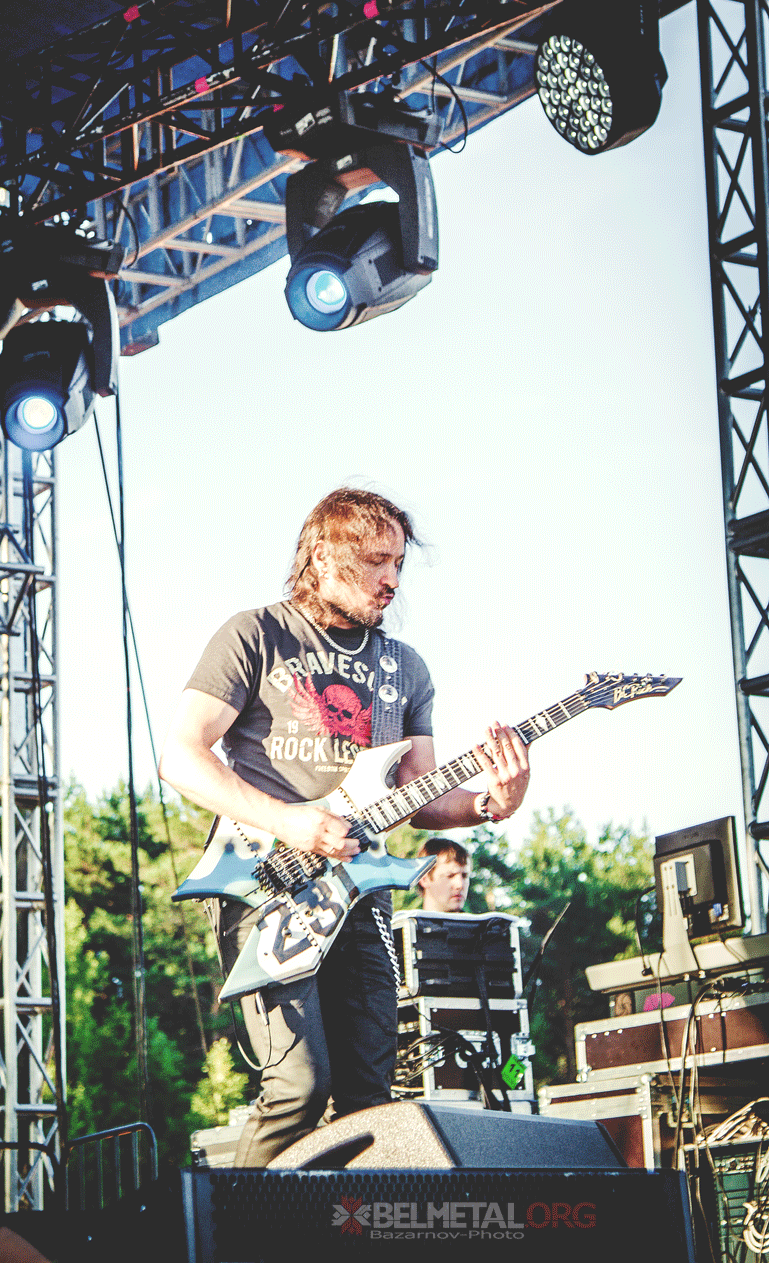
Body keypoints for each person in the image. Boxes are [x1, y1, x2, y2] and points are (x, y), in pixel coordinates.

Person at [158, 487, 530, 1166]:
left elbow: (419, 798)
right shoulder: (254, 635)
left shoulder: (403, 667)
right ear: (324, 557)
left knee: (369, 1098)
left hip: (359, 894)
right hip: (264, 881)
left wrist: (490, 803)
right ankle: (238, 1222)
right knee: (297, 1088)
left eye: (398, 564)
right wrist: (289, 822)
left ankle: (337, 1221)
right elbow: (181, 756)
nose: (392, 580)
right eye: (375, 561)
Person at [416, 836, 471, 913]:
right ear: (424, 879)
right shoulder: (404, 920)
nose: (460, 885)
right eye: (450, 876)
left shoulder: (483, 920)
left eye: (464, 876)